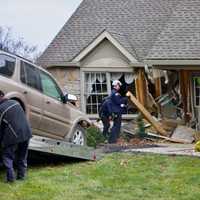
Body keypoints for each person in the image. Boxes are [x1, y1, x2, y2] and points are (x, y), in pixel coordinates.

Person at [0, 90, 32, 182]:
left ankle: (10, 179)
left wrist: (1, 143)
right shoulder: (15, 102)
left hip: (13, 135)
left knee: (7, 156)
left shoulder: (1, 109)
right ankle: (21, 177)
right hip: (26, 133)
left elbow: (1, 128)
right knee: (22, 156)